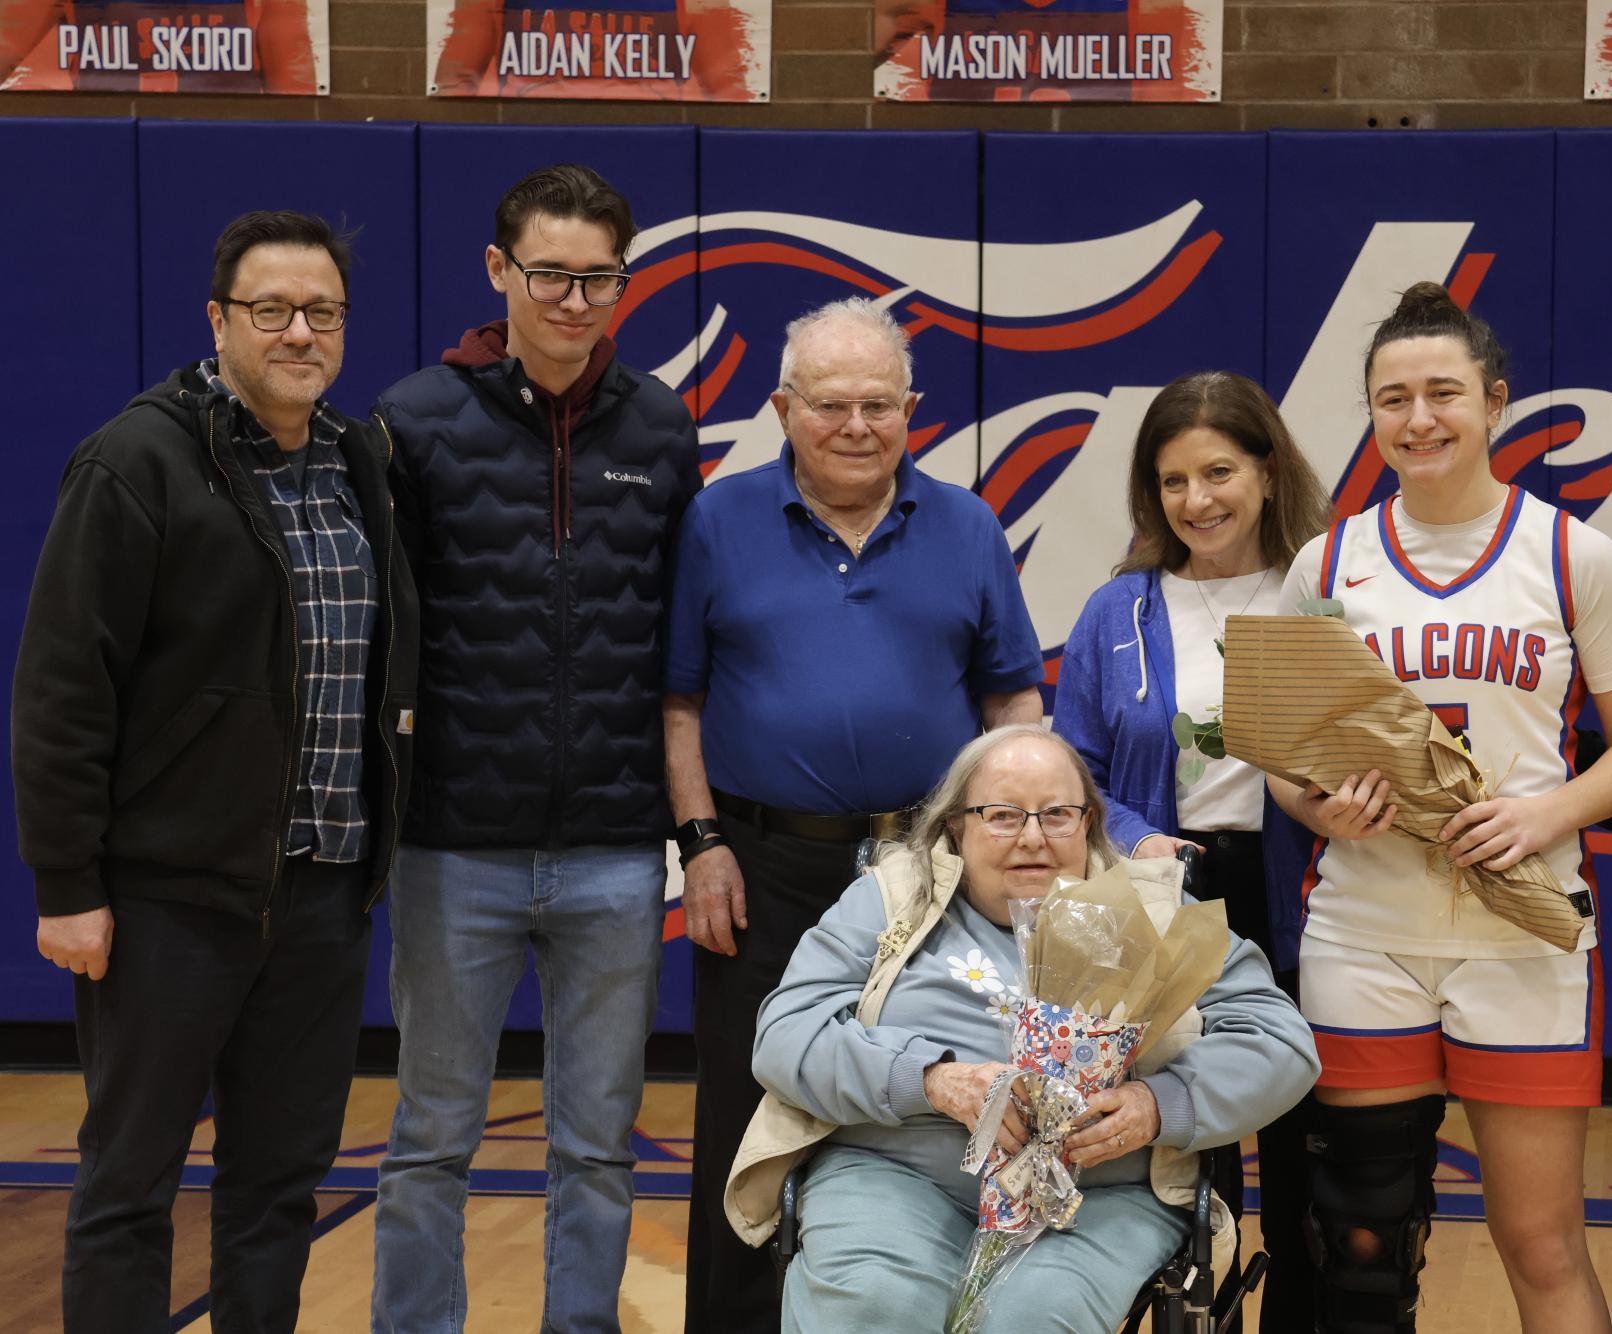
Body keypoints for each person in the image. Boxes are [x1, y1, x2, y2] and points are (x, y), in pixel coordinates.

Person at [12, 209, 417, 1331]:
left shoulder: (357, 461)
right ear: (218, 321)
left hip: (324, 894)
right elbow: (61, 686)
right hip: (166, 901)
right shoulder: (136, 458)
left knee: (279, 1184)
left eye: (322, 311)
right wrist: (67, 883)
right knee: (128, 1180)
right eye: (272, 309)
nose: (299, 331)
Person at [1271, 282, 1612, 1333]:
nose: (1419, 418)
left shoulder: (1574, 554)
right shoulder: (1326, 563)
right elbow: (1280, 760)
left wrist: (1548, 814)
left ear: (1496, 401)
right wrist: (1324, 809)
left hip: (1523, 934)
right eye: (1392, 397)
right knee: (1362, 1239)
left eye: (1443, 391)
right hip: (1365, 935)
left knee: (1540, 1242)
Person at [665, 296, 1045, 1333]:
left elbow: (1014, 700)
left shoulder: (965, 524)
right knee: (746, 1115)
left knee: (929, 1111)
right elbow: (680, 700)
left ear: (912, 409)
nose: (857, 425)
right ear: (784, 407)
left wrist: (1018, 842)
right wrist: (700, 843)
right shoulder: (717, 519)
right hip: (759, 864)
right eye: (831, 404)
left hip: (930, 878)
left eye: (880, 403)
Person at [368, 164, 701, 1332]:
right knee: (430, 1139)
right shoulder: (413, 419)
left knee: (597, 1146)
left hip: (614, 852)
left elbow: (680, 640)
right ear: (499, 269)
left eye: (596, 278)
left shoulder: (662, 426)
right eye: (549, 274)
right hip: (453, 846)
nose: (572, 300)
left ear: (625, 279)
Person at [726, 725, 1320, 1332]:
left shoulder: (1157, 915)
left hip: (1098, 1196)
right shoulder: (893, 897)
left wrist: (1157, 1105)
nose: (1033, 837)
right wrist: (930, 1080)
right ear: (956, 824)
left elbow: (1280, 1043)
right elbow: (786, 1032)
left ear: (1089, 822)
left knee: (1030, 1321)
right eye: (1003, 815)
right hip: (895, 1174)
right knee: (873, 1305)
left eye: (1057, 814)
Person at [1050, 368, 1326, 1330]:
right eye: (1172, 482)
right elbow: (1071, 771)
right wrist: (1131, 836)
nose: (1197, 500)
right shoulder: (1113, 610)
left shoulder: (1323, 588)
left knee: (1308, 1150)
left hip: (1306, 892)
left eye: (1218, 472)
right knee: (1182, 1152)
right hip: (1165, 896)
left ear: (1265, 470)